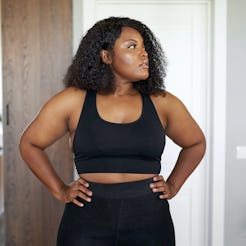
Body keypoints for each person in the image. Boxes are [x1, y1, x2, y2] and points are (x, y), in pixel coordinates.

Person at [19, 17, 206, 246]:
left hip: (149, 218)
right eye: (131, 46)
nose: (144, 54)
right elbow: (30, 144)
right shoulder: (73, 100)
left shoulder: (163, 103)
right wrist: (59, 189)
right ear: (106, 56)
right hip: (86, 218)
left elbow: (195, 143)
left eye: (144, 48)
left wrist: (174, 185)